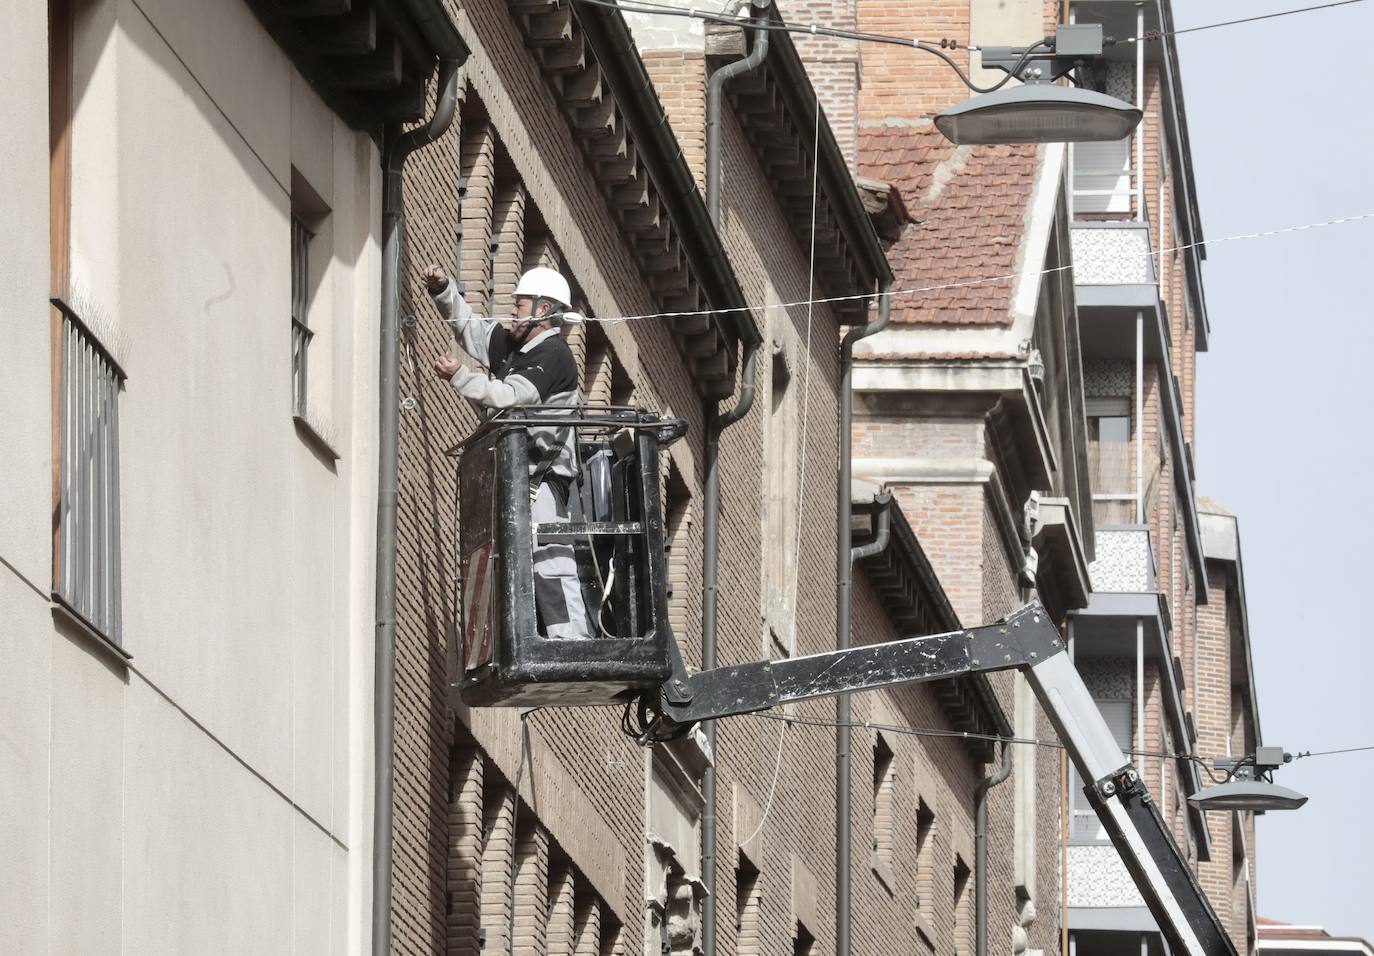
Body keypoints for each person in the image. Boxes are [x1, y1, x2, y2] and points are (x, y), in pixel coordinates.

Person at [426, 264, 591, 641]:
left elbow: (509, 399)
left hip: (542, 479)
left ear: (543, 311)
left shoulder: (553, 355)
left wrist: (460, 377)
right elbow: (471, 330)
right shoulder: (515, 347)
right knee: (512, 559)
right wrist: (443, 289)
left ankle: (572, 641)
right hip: (517, 475)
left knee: (549, 559)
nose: (512, 310)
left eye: (520, 304)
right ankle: (521, 638)